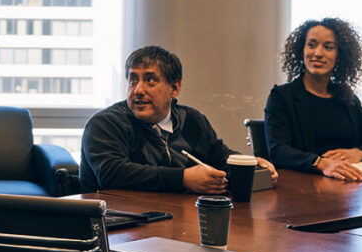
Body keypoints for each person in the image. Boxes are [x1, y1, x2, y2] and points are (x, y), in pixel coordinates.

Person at [80, 45, 276, 193]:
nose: (138, 90)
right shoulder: (105, 124)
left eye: (150, 80)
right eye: (133, 80)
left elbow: (219, 158)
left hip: (176, 220)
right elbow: (111, 173)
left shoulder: (192, 119)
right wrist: (183, 178)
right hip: (117, 228)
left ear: (174, 87)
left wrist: (248, 165)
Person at [264, 18, 362, 182]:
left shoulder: (348, 99)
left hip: (350, 186)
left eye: (328, 47)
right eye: (311, 45)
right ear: (302, 51)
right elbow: (278, 150)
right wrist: (320, 163)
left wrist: (361, 152)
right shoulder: (282, 97)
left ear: (339, 56)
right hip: (300, 188)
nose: (318, 53)